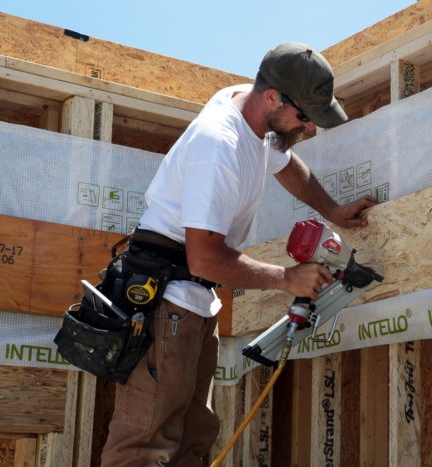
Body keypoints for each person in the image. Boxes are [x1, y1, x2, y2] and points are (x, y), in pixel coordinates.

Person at [101, 43, 376, 466]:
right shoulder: (219, 145)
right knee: (143, 445)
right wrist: (287, 279)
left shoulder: (253, 114)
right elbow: (204, 259)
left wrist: (333, 211)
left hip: (193, 305)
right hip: (166, 303)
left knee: (194, 436)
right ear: (273, 98)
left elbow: (286, 165)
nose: (307, 129)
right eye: (304, 117)